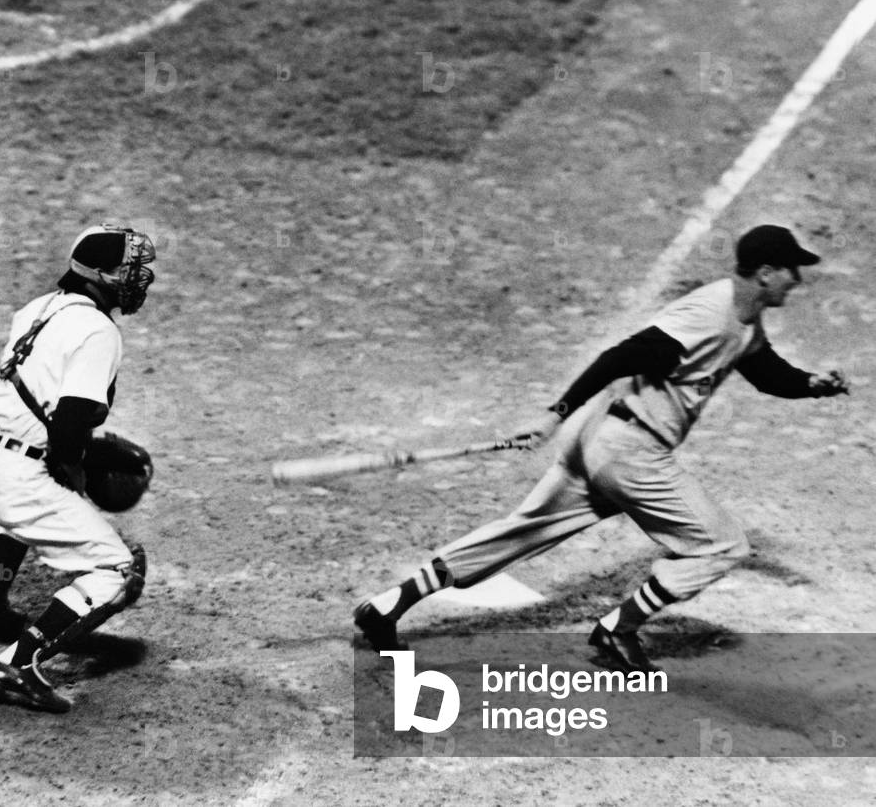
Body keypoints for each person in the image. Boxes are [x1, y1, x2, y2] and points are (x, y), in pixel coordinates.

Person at [354, 224, 849, 672]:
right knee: (724, 545)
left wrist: (812, 383)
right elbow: (623, 355)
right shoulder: (711, 314)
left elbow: (766, 373)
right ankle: (619, 628)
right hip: (630, 453)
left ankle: (386, 607)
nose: (797, 281)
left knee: (523, 530)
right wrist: (555, 412)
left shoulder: (743, 319)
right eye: (791, 271)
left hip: (601, 440)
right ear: (765, 273)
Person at [0, 224, 154, 713]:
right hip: (16, 475)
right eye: (130, 271)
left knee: (40, 504)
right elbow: (70, 418)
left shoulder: (39, 306)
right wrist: (76, 470)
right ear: (101, 276)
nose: (139, 279)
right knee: (118, 568)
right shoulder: (98, 330)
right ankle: (21, 661)